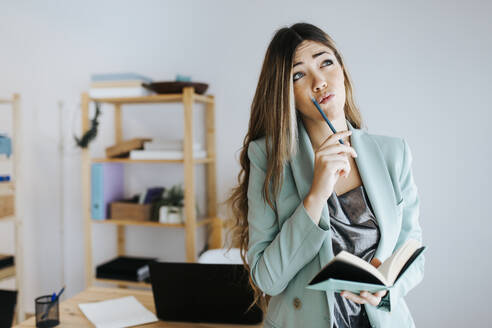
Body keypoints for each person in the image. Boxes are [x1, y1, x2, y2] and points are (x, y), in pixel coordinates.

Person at [226, 22, 424, 328]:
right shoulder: (269, 157)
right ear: (285, 92)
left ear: (342, 69)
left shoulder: (393, 153)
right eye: (298, 74)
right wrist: (317, 193)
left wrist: (387, 293)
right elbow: (268, 279)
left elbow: (414, 256)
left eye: (326, 62)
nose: (319, 82)